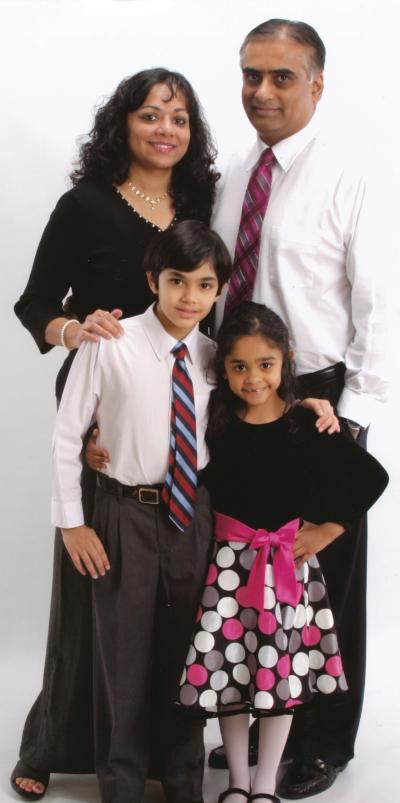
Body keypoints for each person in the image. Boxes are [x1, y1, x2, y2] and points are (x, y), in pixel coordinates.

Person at [12, 68, 219, 799]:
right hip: (104, 405)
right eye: (150, 114)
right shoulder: (86, 205)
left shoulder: (198, 204)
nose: (167, 128)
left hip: (181, 412)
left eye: (181, 117)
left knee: (171, 608)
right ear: (121, 125)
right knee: (91, 598)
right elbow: (34, 301)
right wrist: (78, 328)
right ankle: (50, 744)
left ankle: (168, 753)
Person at [209, 19, 388, 798]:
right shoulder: (237, 171)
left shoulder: (352, 174)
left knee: (321, 571)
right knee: (250, 568)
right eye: (252, 75)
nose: (262, 92)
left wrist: (355, 415)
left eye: (282, 77)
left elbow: (381, 301)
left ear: (317, 83)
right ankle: (257, 719)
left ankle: (323, 739)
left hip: (316, 393)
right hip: (239, 390)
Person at [50, 219, 233, 803]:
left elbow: (260, 405)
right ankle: (122, 786)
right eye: (177, 281)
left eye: (204, 285)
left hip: (192, 517)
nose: (189, 297)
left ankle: (184, 784)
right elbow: (65, 435)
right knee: (121, 661)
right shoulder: (111, 343)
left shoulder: (213, 358)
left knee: (189, 657)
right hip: (124, 514)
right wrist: (73, 522)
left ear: (218, 291)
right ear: (153, 279)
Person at [178, 301, 388, 803]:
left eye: (266, 365)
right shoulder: (216, 426)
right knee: (229, 676)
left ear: (286, 361)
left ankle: (265, 782)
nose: (253, 378)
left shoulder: (304, 424)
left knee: (279, 677)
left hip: (285, 574)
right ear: (223, 368)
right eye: (239, 366)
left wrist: (325, 532)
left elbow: (370, 477)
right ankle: (236, 781)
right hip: (228, 574)